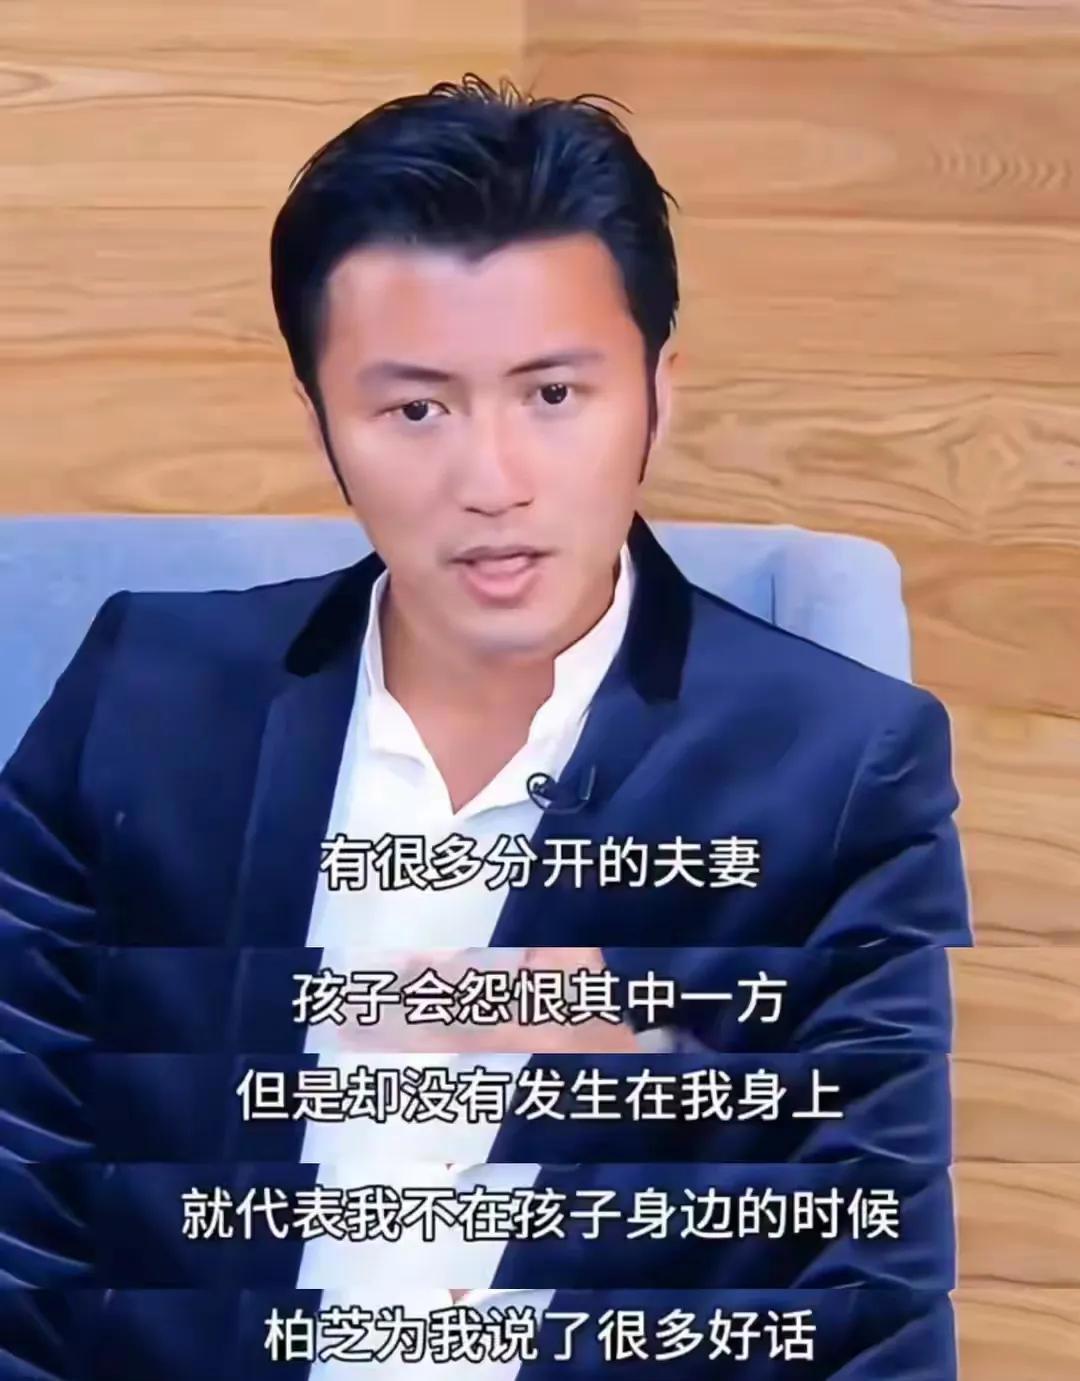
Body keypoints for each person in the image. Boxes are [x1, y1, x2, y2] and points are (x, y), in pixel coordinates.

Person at [0, 73, 971, 1379]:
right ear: (320, 422)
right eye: (415, 409)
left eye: (554, 396)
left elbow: (864, 1306)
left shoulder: (834, 769)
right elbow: (23, 1219)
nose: (492, 481)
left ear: (658, 393)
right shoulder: (147, 703)